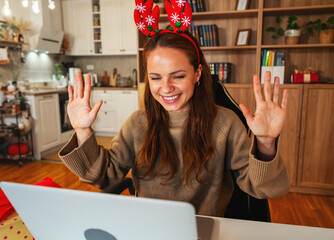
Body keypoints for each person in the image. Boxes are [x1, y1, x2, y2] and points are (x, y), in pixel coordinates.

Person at [59, 30, 290, 218]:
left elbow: (260, 187)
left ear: (197, 73)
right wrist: (82, 131)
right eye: (155, 77)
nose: (166, 88)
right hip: (149, 229)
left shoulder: (225, 123)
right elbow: (103, 176)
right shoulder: (137, 124)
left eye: (177, 76)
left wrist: (266, 142)